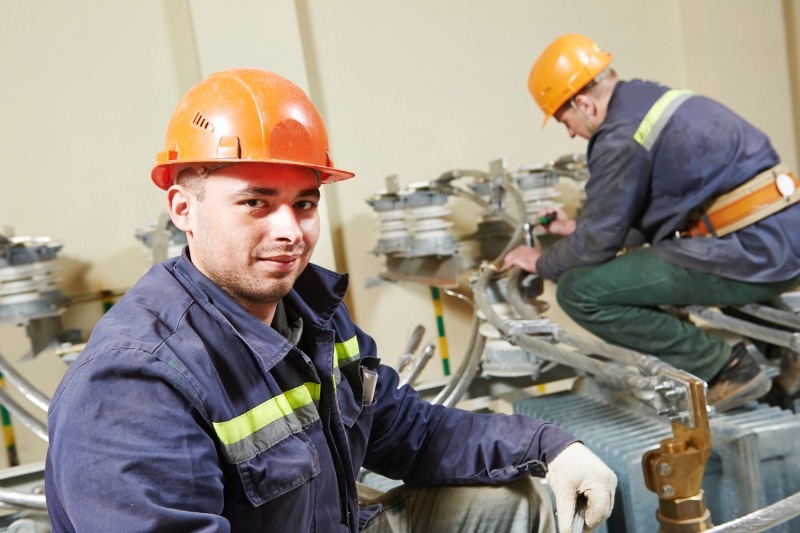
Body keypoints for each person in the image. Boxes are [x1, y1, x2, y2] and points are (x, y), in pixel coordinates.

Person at [45, 68, 617, 533]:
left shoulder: (311, 311)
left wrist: (552, 445)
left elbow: (408, 431)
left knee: (512, 504)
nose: (291, 231)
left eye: (304, 204)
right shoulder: (133, 384)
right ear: (183, 209)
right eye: (255, 203)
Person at [504, 34, 800, 413]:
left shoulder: (619, 137)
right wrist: (577, 229)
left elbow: (597, 245)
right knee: (679, 256)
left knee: (579, 291)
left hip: (757, 252)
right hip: (779, 238)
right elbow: (657, 207)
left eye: (566, 121)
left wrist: (540, 262)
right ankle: (788, 346)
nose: (571, 133)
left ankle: (727, 369)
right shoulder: (647, 100)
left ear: (584, 104)